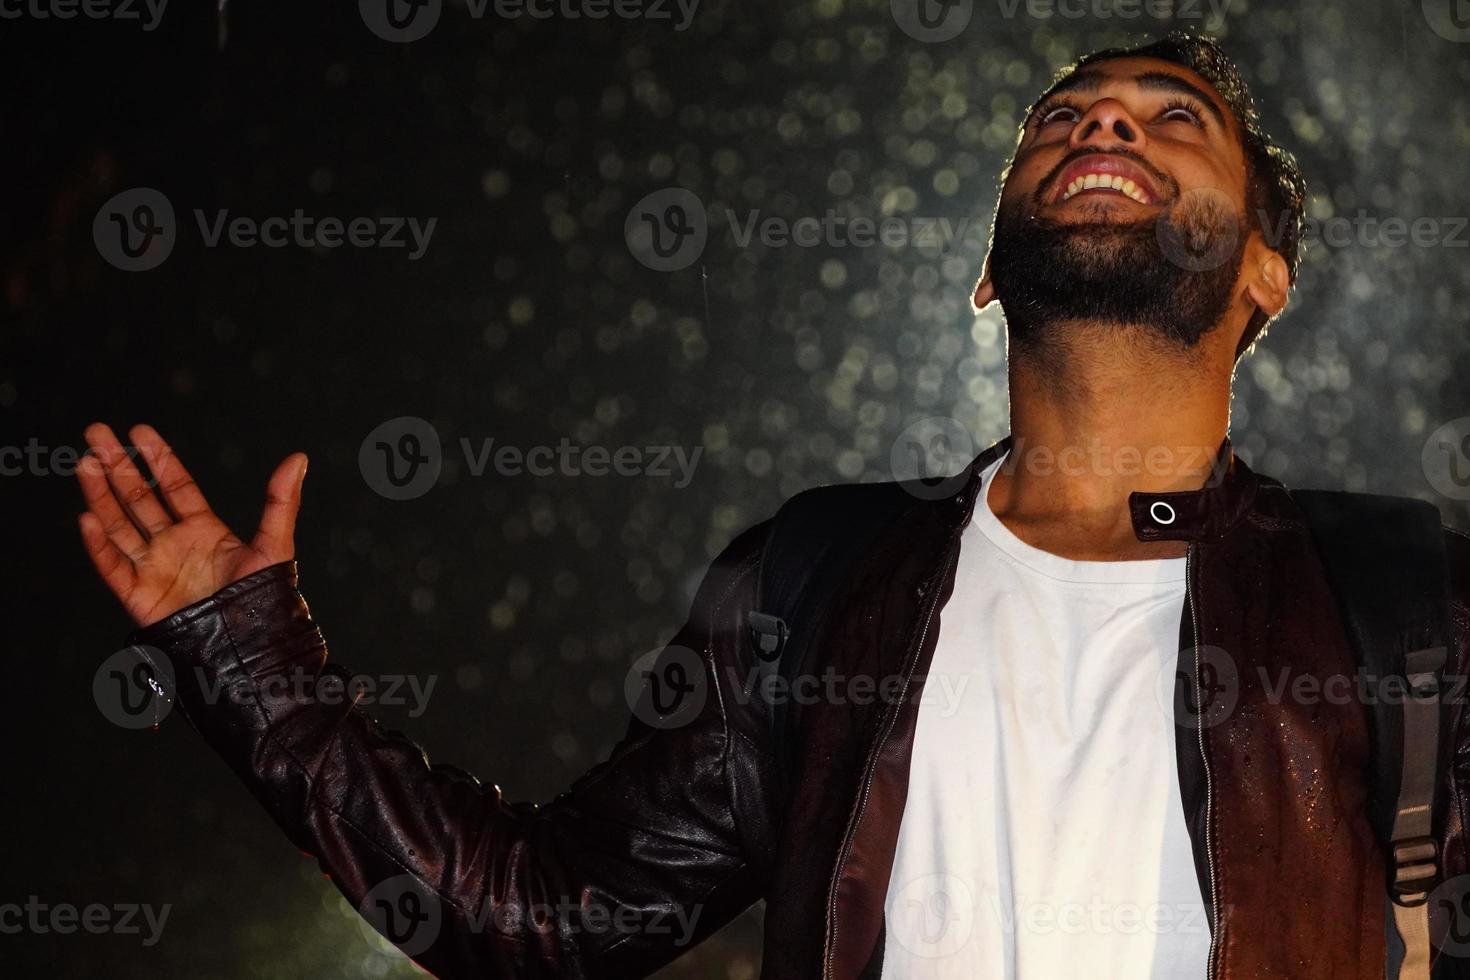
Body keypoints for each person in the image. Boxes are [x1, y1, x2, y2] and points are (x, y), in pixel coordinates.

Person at [76, 31, 1470, 980]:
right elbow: (551, 919)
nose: (1102, 121)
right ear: (987, 270)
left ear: (1266, 275)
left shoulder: (1400, 589)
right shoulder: (816, 574)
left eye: (1175, 120)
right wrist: (248, 661)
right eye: (1063, 115)